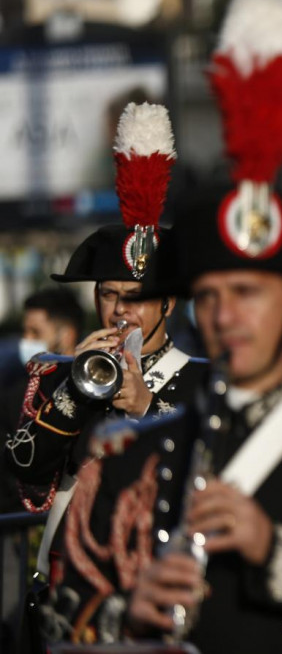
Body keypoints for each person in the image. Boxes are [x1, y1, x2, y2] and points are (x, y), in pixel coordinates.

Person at [41, 0, 282, 652]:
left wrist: (272, 549)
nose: (226, 315)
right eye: (212, 293)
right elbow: (60, 613)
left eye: (250, 292)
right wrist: (126, 614)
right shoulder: (133, 448)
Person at [3, 103, 204, 531]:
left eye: (136, 298)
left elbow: (208, 475)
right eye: (108, 295)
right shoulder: (58, 373)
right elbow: (24, 466)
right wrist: (74, 391)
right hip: (71, 574)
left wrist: (147, 408)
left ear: (167, 303)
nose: (119, 311)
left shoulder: (203, 380)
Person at [0, 288, 84, 512]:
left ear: (66, 334)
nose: (26, 341)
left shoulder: (92, 390)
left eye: (35, 333)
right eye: (24, 332)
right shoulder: (15, 395)